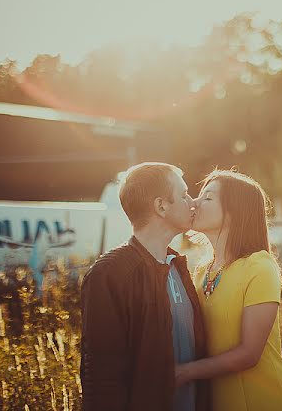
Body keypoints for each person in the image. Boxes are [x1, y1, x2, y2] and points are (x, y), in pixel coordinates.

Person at [80, 162, 211, 411]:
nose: (193, 202)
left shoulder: (178, 267)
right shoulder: (109, 273)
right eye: (183, 195)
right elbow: (101, 375)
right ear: (161, 206)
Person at [176, 169, 282, 411]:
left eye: (208, 198)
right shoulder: (201, 271)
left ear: (235, 212)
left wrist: (184, 372)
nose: (194, 202)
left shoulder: (259, 266)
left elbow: (249, 353)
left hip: (265, 401)